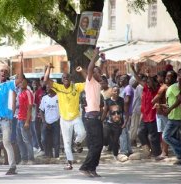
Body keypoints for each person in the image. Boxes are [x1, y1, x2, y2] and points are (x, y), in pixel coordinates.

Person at [44, 63, 86, 171]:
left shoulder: (76, 87)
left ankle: (77, 143)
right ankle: (69, 162)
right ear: (62, 80)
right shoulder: (59, 87)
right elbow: (46, 80)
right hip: (64, 119)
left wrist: (82, 71)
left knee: (82, 133)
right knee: (66, 142)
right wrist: (48, 68)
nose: (65, 78)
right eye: (63, 77)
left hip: (76, 117)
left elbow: (88, 82)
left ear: (71, 79)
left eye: (67, 77)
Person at [79, 48, 104, 177]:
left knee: (99, 144)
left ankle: (92, 168)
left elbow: (98, 69)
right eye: (96, 72)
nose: (99, 73)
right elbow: (89, 69)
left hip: (95, 118)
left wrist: (102, 60)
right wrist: (94, 56)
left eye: (99, 72)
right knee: (96, 144)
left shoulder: (98, 84)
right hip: (91, 118)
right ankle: (85, 167)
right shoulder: (90, 82)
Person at [131, 64, 161, 158]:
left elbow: (151, 83)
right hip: (145, 117)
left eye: (149, 82)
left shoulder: (155, 90)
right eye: (147, 82)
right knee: (140, 133)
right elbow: (138, 79)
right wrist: (133, 69)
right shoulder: (145, 88)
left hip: (152, 117)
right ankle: (148, 149)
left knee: (153, 137)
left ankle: (157, 154)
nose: (147, 83)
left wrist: (148, 75)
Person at [161, 69, 181, 165]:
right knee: (174, 137)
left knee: (166, 136)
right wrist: (163, 106)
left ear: (174, 78)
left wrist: (169, 109)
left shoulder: (174, 87)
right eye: (166, 75)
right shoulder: (171, 87)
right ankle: (180, 157)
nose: (167, 77)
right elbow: (171, 102)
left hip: (175, 116)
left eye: (170, 76)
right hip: (174, 116)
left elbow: (179, 99)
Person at [101, 86, 124, 159]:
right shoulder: (107, 101)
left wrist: (125, 122)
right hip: (109, 122)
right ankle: (105, 145)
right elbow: (105, 112)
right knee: (105, 135)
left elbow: (125, 112)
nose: (116, 92)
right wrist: (101, 121)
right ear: (111, 92)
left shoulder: (121, 100)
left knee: (115, 140)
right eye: (114, 91)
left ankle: (115, 155)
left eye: (117, 91)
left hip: (118, 124)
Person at [16, 77, 35, 164]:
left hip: (24, 119)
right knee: (20, 140)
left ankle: (31, 159)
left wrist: (27, 121)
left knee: (27, 140)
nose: (21, 83)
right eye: (20, 82)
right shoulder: (20, 92)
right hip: (19, 119)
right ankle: (24, 159)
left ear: (26, 83)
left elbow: (30, 107)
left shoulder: (28, 92)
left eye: (23, 82)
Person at [152, 71, 169, 159]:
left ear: (162, 77)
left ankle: (164, 152)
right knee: (163, 133)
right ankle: (164, 151)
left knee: (164, 133)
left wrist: (154, 102)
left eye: (158, 77)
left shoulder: (163, 87)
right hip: (161, 112)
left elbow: (154, 100)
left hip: (163, 112)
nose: (157, 79)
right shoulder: (163, 87)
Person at [39, 84, 60, 158]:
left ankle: (56, 156)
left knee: (56, 140)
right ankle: (48, 155)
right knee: (44, 139)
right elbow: (41, 110)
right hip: (46, 122)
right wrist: (44, 121)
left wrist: (59, 119)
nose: (47, 88)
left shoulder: (58, 97)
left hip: (56, 122)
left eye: (49, 87)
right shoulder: (44, 98)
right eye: (46, 87)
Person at [119, 74, 133, 156]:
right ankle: (129, 149)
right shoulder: (125, 88)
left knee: (122, 132)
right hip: (125, 112)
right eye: (120, 78)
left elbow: (127, 100)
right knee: (126, 132)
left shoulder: (128, 88)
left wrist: (118, 104)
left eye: (122, 78)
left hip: (125, 113)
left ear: (127, 80)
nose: (120, 80)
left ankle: (124, 150)